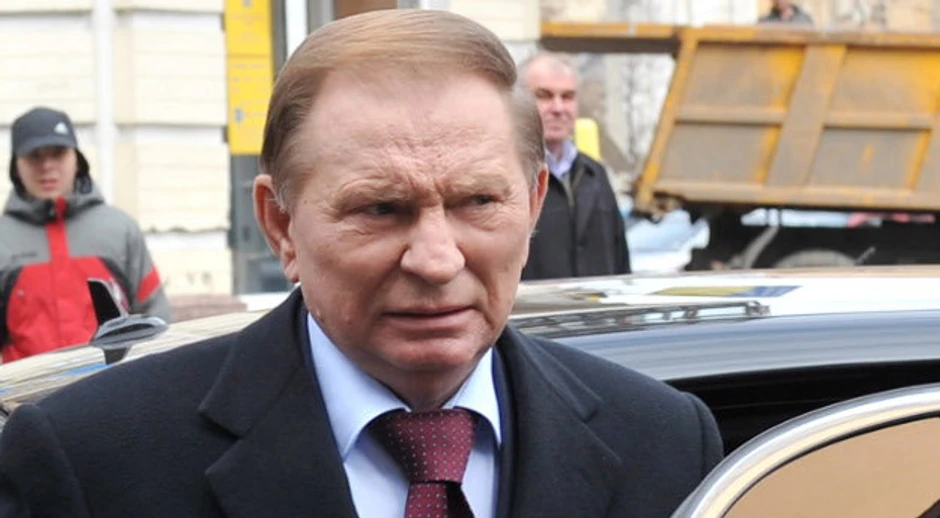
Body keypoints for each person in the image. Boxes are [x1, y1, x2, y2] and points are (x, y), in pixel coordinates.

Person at [0, 10, 721, 517]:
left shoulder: (664, 444)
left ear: (533, 204)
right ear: (280, 225)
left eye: (477, 201)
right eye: (380, 208)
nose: (436, 259)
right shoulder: (91, 462)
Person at [0, 107, 170, 362]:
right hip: (28, 387)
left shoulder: (119, 229)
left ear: (77, 159)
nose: (47, 166)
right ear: (16, 166)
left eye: (58, 153)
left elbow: (156, 321)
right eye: (34, 156)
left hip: (111, 384)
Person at [519, 52, 631, 280]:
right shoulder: (509, 177)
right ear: (519, 101)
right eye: (544, 96)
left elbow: (621, 263)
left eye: (567, 96)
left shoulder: (595, 175)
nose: (558, 107)